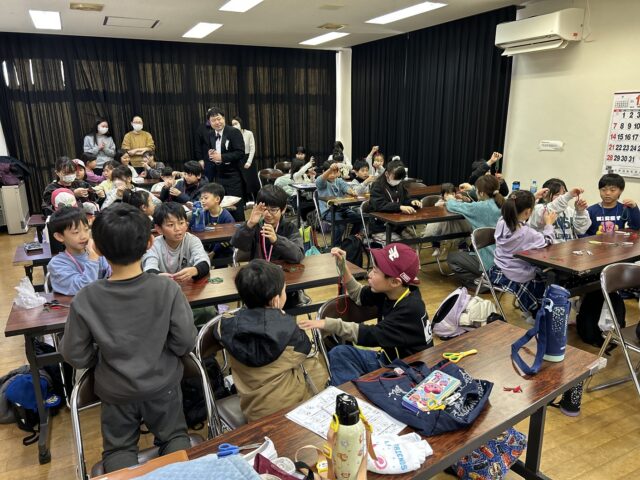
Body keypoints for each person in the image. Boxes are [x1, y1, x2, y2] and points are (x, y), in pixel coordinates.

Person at [60, 204, 197, 473]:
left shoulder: (86, 297)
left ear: (97, 248)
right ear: (149, 243)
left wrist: (99, 359)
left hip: (116, 391)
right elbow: (184, 341)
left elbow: (75, 355)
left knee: (119, 451)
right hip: (163, 385)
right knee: (175, 439)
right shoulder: (166, 288)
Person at [299, 243, 432, 385]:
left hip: (408, 374)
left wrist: (329, 324)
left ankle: (350, 393)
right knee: (340, 353)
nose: (369, 274)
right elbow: (359, 294)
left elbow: (370, 335)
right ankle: (351, 391)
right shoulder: (392, 292)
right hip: (389, 360)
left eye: (375, 271)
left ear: (394, 282)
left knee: (344, 366)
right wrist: (343, 266)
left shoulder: (410, 309)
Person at [213, 259, 328, 421]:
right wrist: (280, 317)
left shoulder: (225, 325)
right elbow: (305, 349)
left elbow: (218, 328)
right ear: (276, 300)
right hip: (292, 409)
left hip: (252, 411)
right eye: (284, 290)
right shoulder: (289, 331)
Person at [488, 190, 556, 315]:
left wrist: (533, 197)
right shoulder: (528, 234)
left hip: (499, 267)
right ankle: (536, 312)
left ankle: (533, 311)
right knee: (546, 277)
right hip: (516, 272)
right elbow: (548, 240)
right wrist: (549, 224)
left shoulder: (502, 221)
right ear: (528, 212)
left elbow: (517, 209)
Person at [445, 175, 505, 290]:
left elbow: (453, 206)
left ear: (481, 193)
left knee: (452, 257)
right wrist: (471, 190)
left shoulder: (481, 207)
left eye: (476, 190)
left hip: (490, 260)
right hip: (505, 260)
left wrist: (450, 199)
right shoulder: (503, 204)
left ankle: (482, 284)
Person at [231, 185, 303, 263]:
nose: (268, 214)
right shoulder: (255, 226)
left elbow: (298, 256)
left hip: (283, 269)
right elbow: (237, 244)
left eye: (273, 210)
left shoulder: (289, 228)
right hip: (259, 269)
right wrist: (249, 224)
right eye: (264, 209)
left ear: (283, 209)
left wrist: (277, 240)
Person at [47, 206, 111, 295]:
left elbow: (113, 275)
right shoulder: (57, 264)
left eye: (86, 229)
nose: (84, 236)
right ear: (59, 236)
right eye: (76, 232)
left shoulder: (99, 254)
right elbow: (84, 290)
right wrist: (93, 259)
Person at [142, 202, 211, 282]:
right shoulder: (154, 245)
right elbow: (149, 269)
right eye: (170, 225)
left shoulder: (192, 240)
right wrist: (159, 276)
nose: (177, 229)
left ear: (186, 224)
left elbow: (204, 262)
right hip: (163, 286)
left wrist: (194, 270)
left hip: (187, 285)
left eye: (181, 223)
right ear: (159, 229)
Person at [201, 107, 246, 221]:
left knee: (236, 206)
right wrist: (211, 154)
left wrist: (222, 157)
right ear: (209, 122)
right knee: (220, 205)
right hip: (219, 176)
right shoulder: (210, 134)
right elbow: (213, 152)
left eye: (219, 119)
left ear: (224, 118)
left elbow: (240, 152)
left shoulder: (233, 132)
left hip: (233, 175)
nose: (217, 122)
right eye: (213, 120)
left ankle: (239, 228)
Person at [366, 159, 422, 243]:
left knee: (414, 241)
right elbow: (379, 205)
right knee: (399, 245)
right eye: (396, 178)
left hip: (398, 225)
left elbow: (405, 199)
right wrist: (399, 207)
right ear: (386, 174)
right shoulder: (377, 186)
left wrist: (412, 202)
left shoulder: (399, 185)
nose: (398, 180)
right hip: (380, 227)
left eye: (400, 179)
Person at [315, 161, 362, 246]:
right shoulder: (322, 183)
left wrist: (351, 191)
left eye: (335, 172)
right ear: (324, 172)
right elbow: (320, 180)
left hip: (342, 209)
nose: (332, 175)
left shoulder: (339, 181)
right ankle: (335, 246)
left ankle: (349, 241)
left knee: (359, 218)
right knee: (340, 224)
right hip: (327, 211)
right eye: (330, 172)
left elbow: (346, 187)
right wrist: (330, 169)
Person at [194, 182, 235, 259]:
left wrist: (214, 252)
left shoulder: (227, 217)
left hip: (222, 250)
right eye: (201, 198)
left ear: (217, 199)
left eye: (206, 198)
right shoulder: (202, 213)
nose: (202, 201)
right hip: (206, 247)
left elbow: (229, 240)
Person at [231, 116, 258, 200]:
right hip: (238, 160)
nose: (234, 126)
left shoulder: (248, 133)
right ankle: (246, 201)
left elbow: (252, 148)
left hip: (248, 158)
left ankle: (256, 200)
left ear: (240, 123)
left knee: (252, 181)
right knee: (242, 182)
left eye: (236, 123)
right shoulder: (233, 135)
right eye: (232, 124)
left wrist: (249, 162)